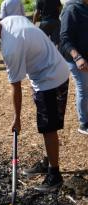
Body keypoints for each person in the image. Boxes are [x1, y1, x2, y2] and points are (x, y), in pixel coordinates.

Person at [0, 13, 69, 191]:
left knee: (48, 128)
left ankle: (54, 175)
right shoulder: (10, 20)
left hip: (50, 78)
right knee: (46, 124)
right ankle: (48, 162)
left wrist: (17, 118)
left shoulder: (11, 47)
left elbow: (16, 87)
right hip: (51, 68)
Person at [60, 0, 88, 134]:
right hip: (76, 58)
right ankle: (84, 124)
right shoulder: (72, 9)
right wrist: (78, 57)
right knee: (83, 87)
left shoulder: (85, 7)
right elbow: (65, 38)